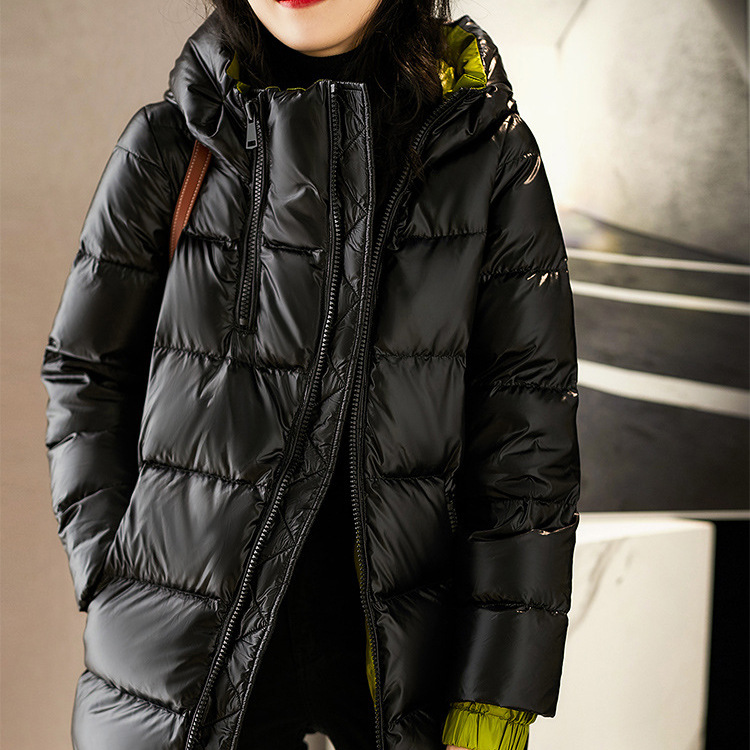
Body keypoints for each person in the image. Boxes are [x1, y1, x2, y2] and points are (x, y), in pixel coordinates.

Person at [39, 1, 581, 749]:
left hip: (402, 682)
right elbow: (85, 371)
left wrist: (495, 697)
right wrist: (109, 566)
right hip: (169, 682)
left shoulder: (485, 155)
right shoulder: (171, 143)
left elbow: (527, 441)